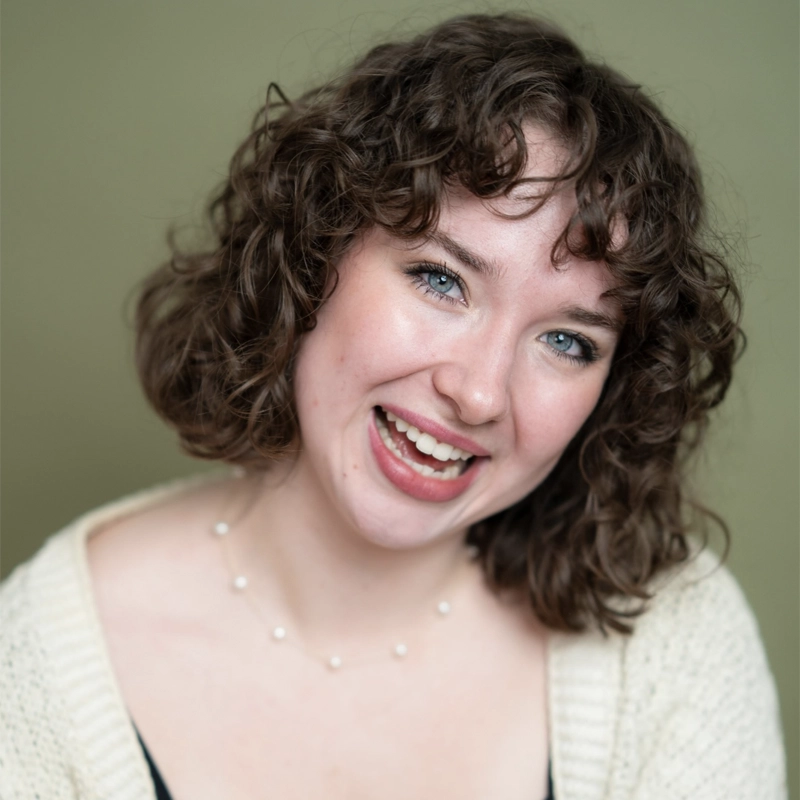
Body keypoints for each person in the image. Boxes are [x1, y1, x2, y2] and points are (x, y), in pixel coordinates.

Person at [0, 12, 786, 799]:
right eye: (443, 280)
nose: (478, 392)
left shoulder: (673, 639)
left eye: (568, 343)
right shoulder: (35, 669)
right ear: (316, 252)